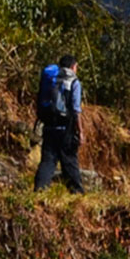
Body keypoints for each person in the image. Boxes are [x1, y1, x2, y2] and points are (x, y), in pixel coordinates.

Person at [33, 55, 87, 194]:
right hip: (65, 128)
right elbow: (76, 110)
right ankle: (77, 193)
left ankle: (39, 190)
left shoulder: (51, 79)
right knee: (69, 161)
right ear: (73, 66)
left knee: (48, 161)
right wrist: (80, 131)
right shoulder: (73, 81)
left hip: (49, 125)